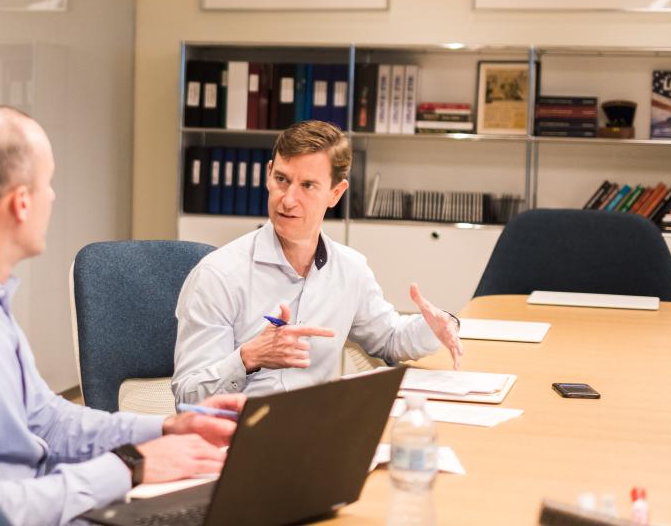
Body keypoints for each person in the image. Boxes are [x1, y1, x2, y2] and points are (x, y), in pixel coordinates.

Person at [0, 106, 244, 526]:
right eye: (48, 183)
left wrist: (168, 428)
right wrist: (130, 467)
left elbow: (49, 422)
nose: (52, 197)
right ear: (21, 203)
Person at [172, 120, 464, 404]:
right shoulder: (218, 275)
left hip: (317, 429)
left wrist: (437, 326)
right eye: (282, 180)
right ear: (268, 174)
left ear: (335, 193)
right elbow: (188, 396)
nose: (288, 200)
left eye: (308, 185)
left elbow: (388, 338)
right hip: (234, 435)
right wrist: (249, 358)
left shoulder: (350, 269)